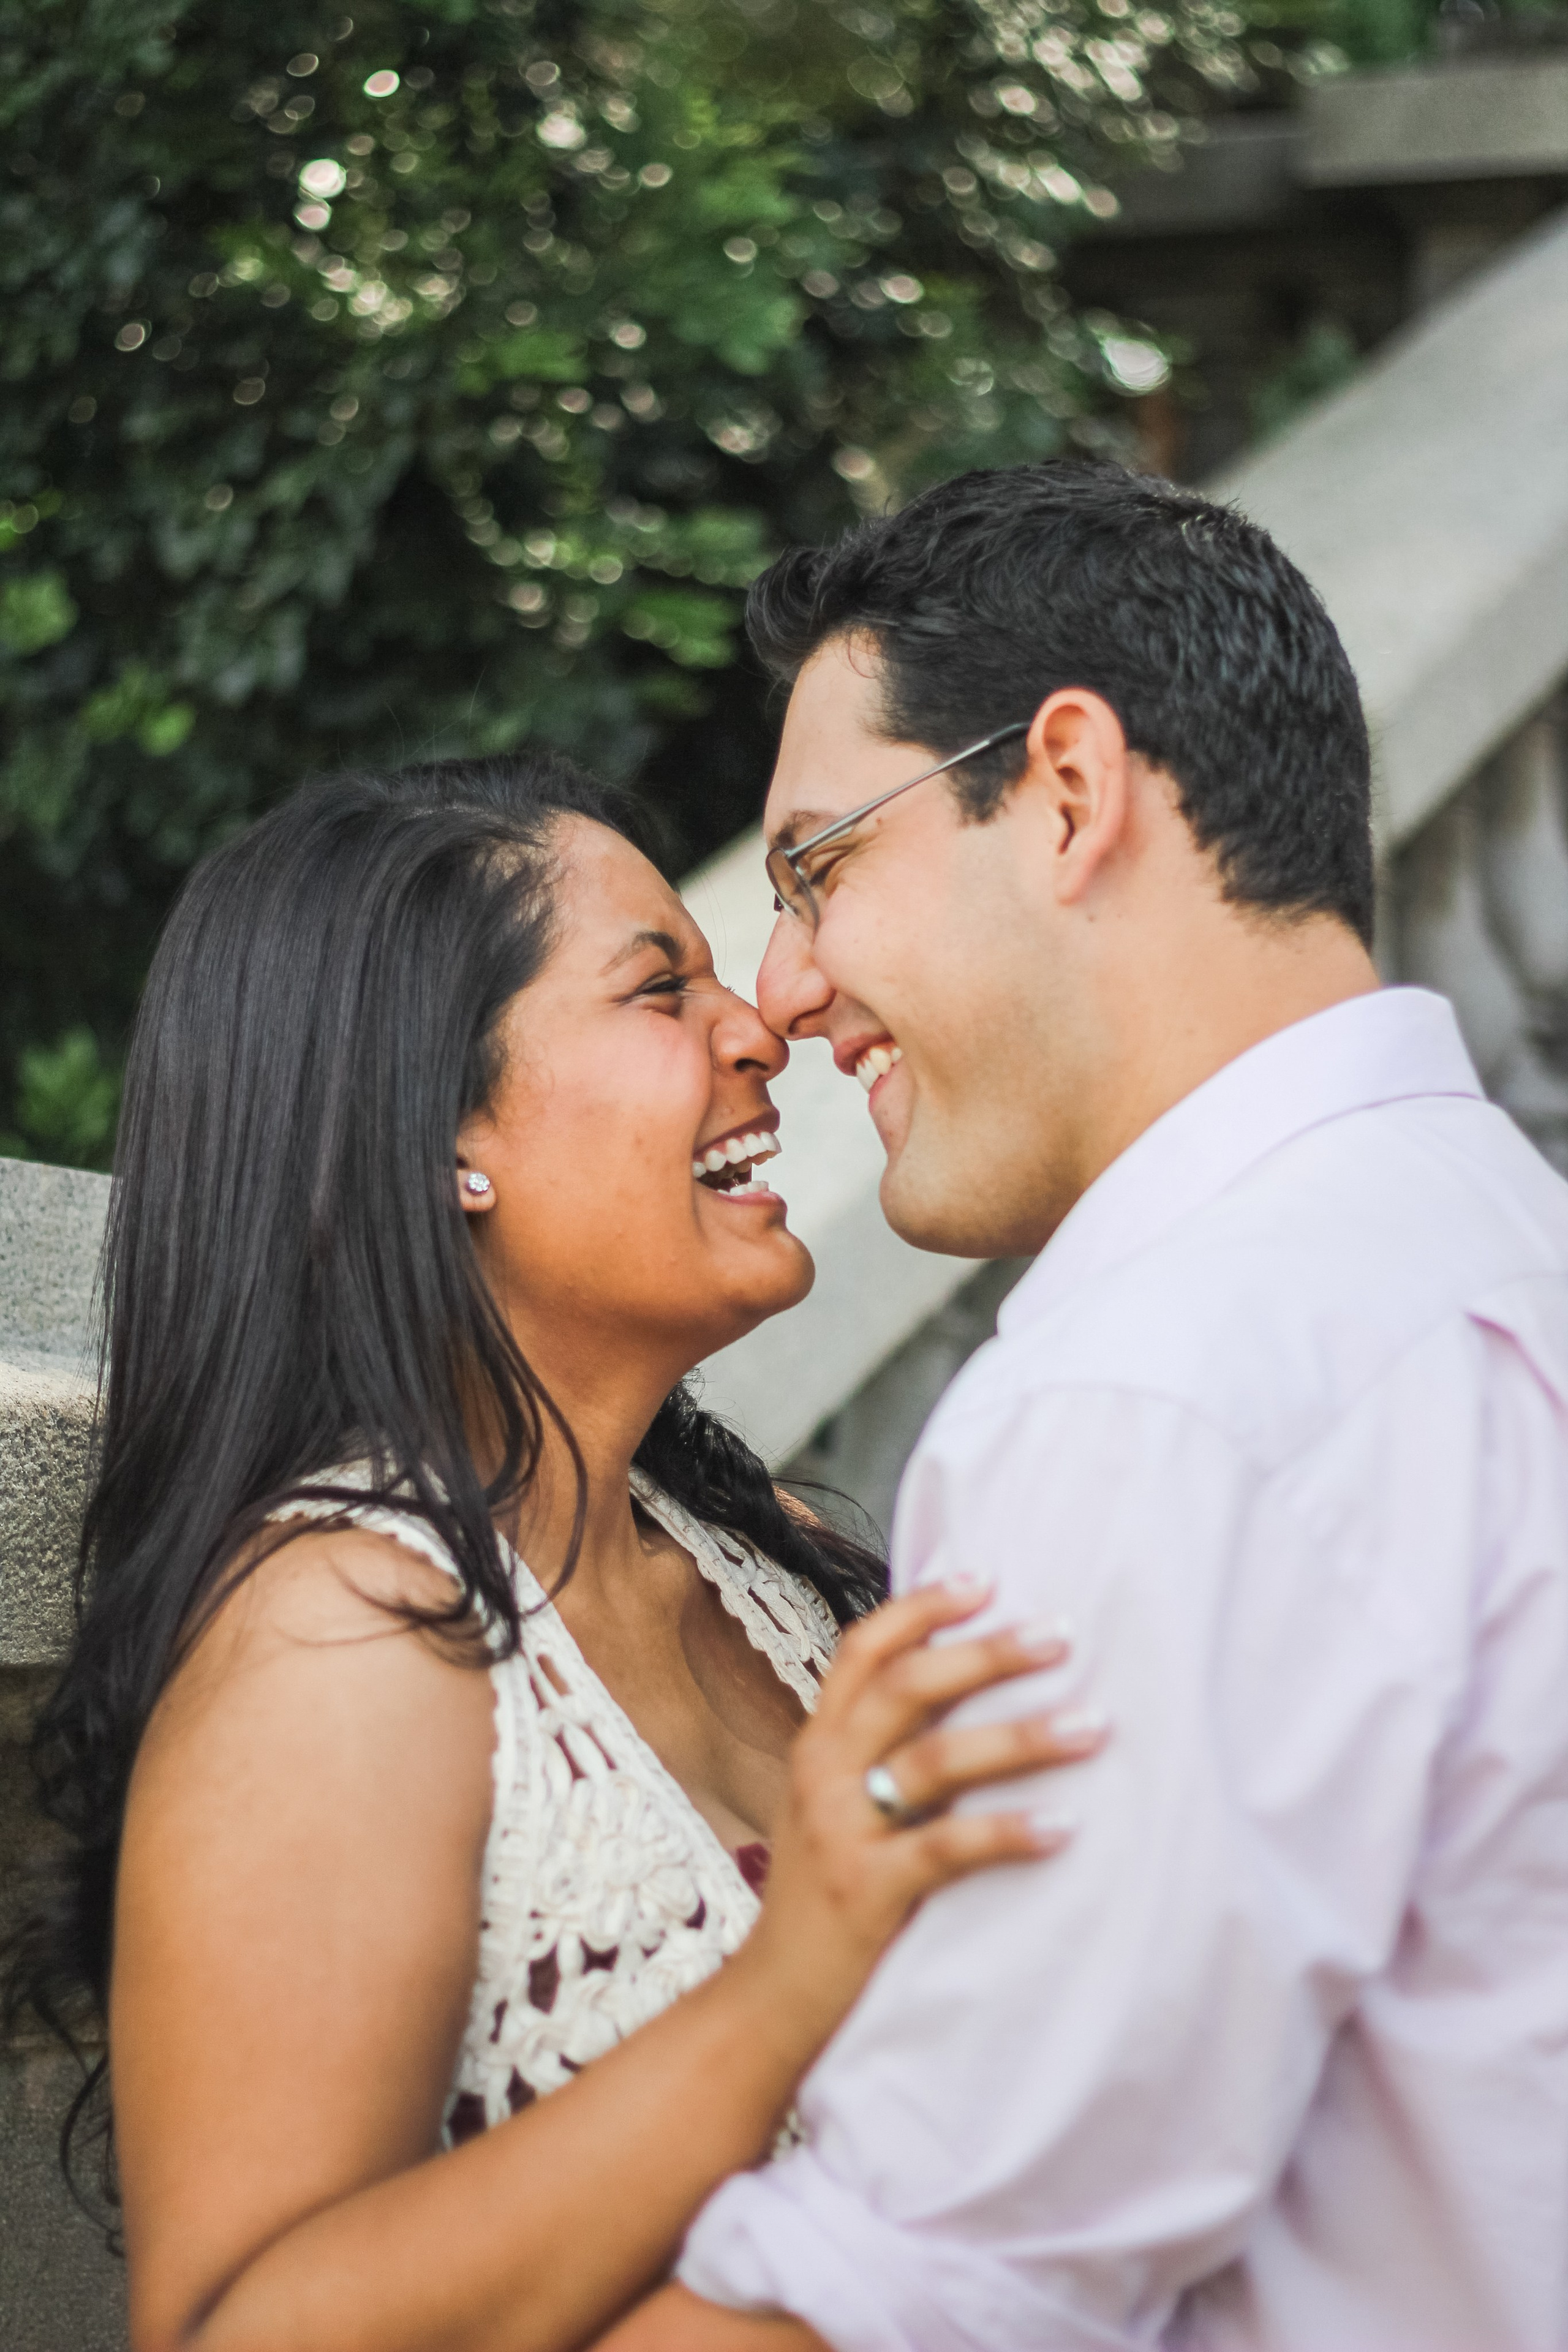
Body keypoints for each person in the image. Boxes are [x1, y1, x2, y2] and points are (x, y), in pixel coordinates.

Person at [617, 460, 1568, 2351]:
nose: (785, 993)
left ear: (1066, 792)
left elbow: (936, 2289)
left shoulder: (1160, 1397)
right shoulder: (1499, 1243)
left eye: (819, 868)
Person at [4, 755, 1107, 2352]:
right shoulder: (344, 1637)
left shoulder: (775, 1562)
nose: (759, 1029)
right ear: (443, 1133)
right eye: (663, 992)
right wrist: (792, 1981)